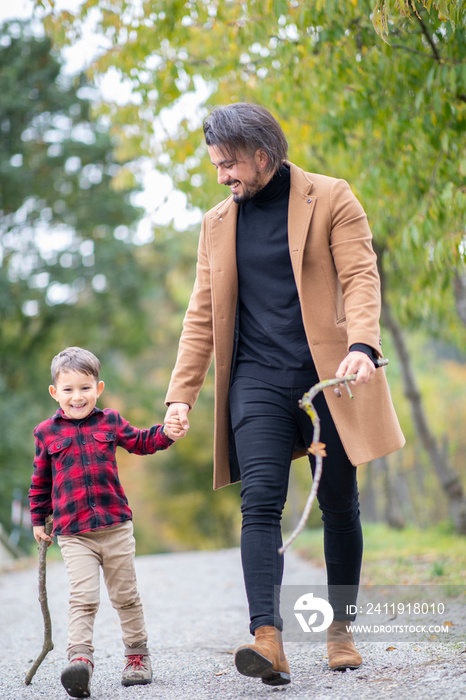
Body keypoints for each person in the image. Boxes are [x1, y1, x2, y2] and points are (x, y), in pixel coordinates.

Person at [164, 102, 405, 686]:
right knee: (261, 501)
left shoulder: (331, 196)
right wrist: (181, 395)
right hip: (256, 379)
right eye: (216, 165)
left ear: (262, 155)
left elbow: (360, 275)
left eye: (228, 165)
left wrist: (365, 345)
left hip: (330, 374)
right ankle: (267, 639)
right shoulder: (217, 224)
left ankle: (340, 629)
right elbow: (201, 316)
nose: (222, 176)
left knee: (339, 502)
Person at [29, 346, 185, 699]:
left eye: (85, 388)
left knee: (125, 596)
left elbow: (143, 442)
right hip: (73, 534)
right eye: (68, 390)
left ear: (98, 388)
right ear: (55, 393)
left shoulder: (110, 422)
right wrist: (38, 519)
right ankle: (80, 661)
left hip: (115, 527)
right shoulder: (46, 433)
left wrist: (168, 433)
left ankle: (136, 657)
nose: (77, 396)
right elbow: (40, 481)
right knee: (82, 598)